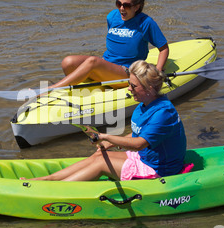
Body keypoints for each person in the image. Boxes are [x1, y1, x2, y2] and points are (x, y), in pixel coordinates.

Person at [28, 61, 186, 181]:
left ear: (149, 89)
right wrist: (109, 144)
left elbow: (139, 144)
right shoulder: (144, 104)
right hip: (145, 158)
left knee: (101, 164)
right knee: (99, 155)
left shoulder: (163, 113)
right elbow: (139, 134)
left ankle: (54, 190)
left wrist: (106, 137)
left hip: (160, 169)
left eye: (133, 85)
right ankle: (48, 179)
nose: (129, 88)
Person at [48, 0, 169, 90]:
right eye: (118, 4)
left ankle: (52, 89)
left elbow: (163, 49)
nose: (121, 8)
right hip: (107, 67)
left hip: (128, 72)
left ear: (136, 7)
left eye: (126, 5)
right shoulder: (112, 16)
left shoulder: (146, 23)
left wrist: (157, 72)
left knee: (93, 61)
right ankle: (83, 87)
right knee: (67, 62)